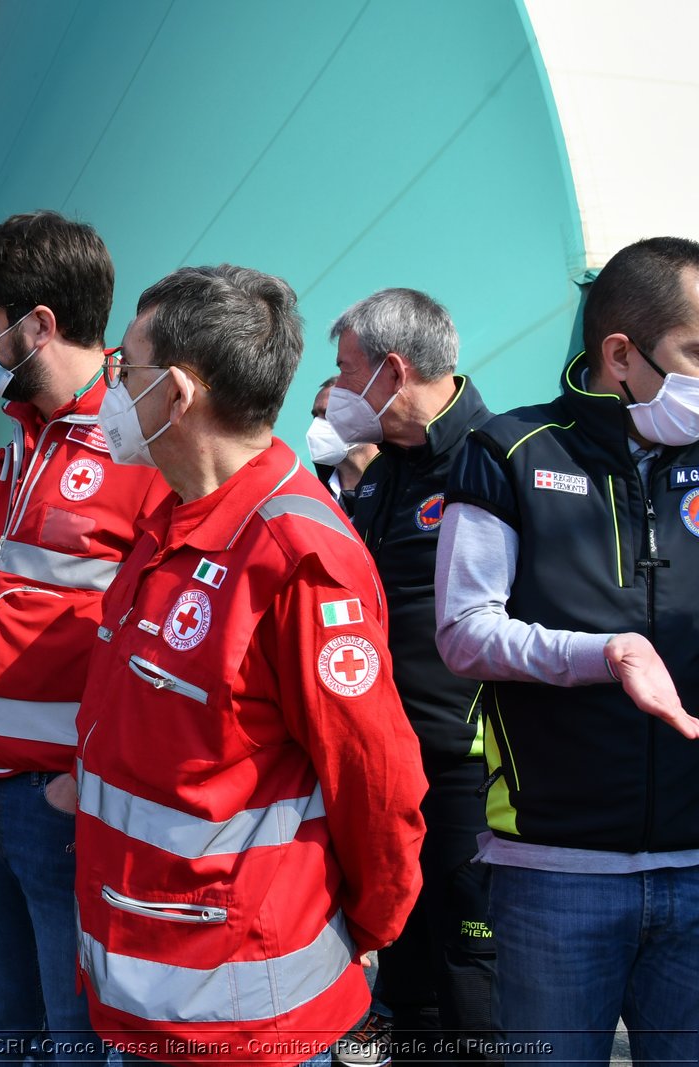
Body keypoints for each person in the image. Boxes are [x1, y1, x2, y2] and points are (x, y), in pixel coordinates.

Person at [74, 265, 427, 1066]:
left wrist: (364, 927)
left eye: (124, 367)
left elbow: (377, 780)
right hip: (142, 982)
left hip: (244, 1014)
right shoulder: (171, 519)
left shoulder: (298, 557)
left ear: (177, 391)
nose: (112, 385)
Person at [435, 236, 699, 1065]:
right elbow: (463, 631)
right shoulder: (510, 452)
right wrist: (606, 651)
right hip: (555, 872)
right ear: (620, 353)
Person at [0, 211, 166, 1064]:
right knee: (7, 1026)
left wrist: (83, 775)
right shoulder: (11, 449)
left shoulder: (139, 452)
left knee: (75, 1038)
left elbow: (154, 647)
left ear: (40, 324)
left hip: (63, 802)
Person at [325, 289, 496, 1063]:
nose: (331, 394)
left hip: (469, 769)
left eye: (344, 371)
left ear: (393, 371)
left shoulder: (496, 459)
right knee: (405, 968)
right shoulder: (382, 469)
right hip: (387, 765)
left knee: (475, 977)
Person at [306, 376, 378, 512]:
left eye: (329, 414)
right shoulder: (313, 502)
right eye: (315, 416)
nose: (317, 426)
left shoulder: (403, 485)